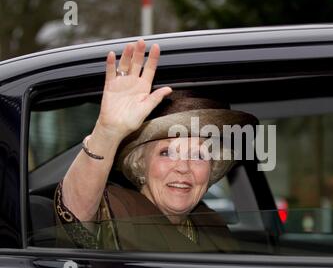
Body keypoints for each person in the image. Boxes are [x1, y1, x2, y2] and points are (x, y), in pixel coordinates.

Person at [53, 39, 258, 252]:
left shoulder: (211, 223)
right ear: (141, 162)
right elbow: (75, 215)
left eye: (198, 155)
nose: (183, 167)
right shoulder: (119, 208)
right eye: (167, 152)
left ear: (212, 168)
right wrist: (107, 131)